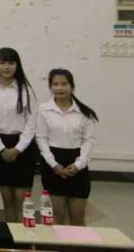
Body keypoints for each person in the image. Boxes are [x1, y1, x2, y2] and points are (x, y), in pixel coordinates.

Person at [37, 69, 98, 226]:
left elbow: (88, 141)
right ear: (50, 87)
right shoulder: (44, 109)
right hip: (53, 164)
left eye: (64, 84)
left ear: (72, 86)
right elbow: (41, 138)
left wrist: (79, 165)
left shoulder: (85, 113)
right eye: (55, 84)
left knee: (77, 219)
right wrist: (53, 164)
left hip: (77, 164)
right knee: (56, 218)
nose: (60, 88)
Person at [0, 47, 38, 222]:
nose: (6, 67)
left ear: (17, 65)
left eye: (11, 63)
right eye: (2, 63)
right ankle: (11, 235)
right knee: (7, 200)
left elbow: (32, 122)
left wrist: (17, 149)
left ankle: (25, 235)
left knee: (22, 199)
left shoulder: (26, 90)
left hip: (23, 147)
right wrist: (1, 148)